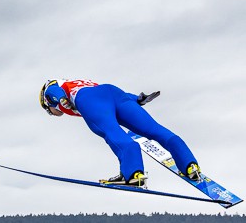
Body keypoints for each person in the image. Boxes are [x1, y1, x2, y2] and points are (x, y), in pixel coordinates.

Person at [39, 79, 202, 186]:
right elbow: (111, 96)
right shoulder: (78, 82)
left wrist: (61, 99)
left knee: (112, 131)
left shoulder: (55, 91)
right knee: (155, 129)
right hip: (114, 93)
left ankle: (133, 174)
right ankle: (189, 165)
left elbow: (51, 90)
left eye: (49, 111)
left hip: (90, 99)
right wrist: (137, 99)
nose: (53, 114)